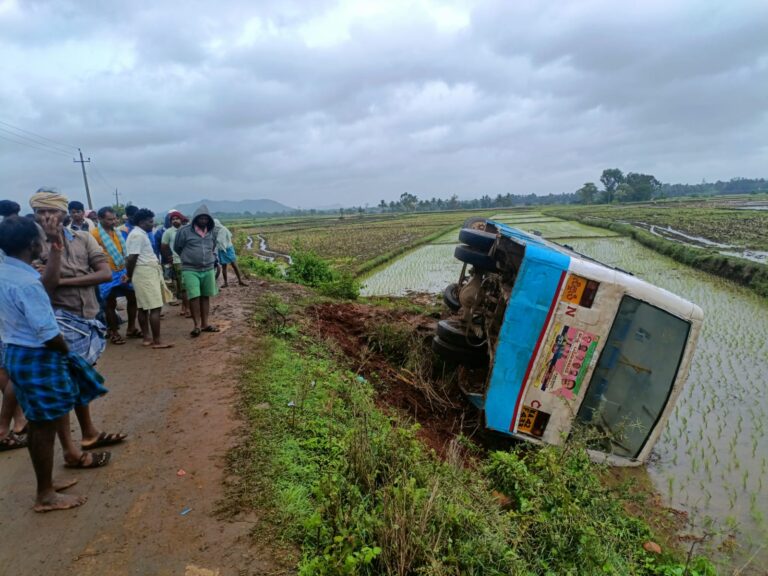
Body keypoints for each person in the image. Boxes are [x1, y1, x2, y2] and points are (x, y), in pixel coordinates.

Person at [0, 216, 109, 511]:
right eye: (42, 239)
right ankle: (45, 495)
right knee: (43, 426)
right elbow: (48, 332)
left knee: (41, 419)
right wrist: (66, 353)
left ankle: (47, 482)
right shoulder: (26, 284)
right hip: (39, 355)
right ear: (33, 244)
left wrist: (56, 249)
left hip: (16, 352)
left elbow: (45, 286)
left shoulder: (6, 272)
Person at [31, 189, 127, 457]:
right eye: (41, 211)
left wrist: (61, 280)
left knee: (79, 381)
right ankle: (70, 449)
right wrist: (54, 250)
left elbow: (105, 273)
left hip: (86, 316)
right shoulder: (33, 245)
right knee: (64, 385)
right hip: (56, 321)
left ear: (63, 213)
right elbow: (45, 288)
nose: (47, 216)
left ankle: (87, 433)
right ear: (35, 215)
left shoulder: (83, 238)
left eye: (52, 211)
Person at [91, 206, 141, 344]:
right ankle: (113, 332)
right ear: (100, 219)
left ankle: (131, 328)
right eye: (109, 219)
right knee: (110, 303)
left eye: (114, 219)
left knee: (132, 297)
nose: (113, 222)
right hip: (107, 271)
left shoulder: (118, 232)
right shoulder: (94, 234)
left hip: (122, 269)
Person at [126, 208, 173, 349]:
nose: (152, 224)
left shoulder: (139, 234)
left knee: (143, 307)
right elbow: (132, 258)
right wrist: (128, 275)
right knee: (154, 307)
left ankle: (147, 338)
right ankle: (157, 341)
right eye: (150, 221)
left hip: (145, 272)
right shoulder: (137, 236)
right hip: (144, 273)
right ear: (141, 222)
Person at [173, 205, 220, 337]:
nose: (204, 221)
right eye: (201, 218)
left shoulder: (212, 231)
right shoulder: (184, 231)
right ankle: (196, 325)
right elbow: (178, 247)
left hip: (208, 268)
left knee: (205, 296)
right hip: (190, 269)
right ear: (195, 219)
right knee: (194, 296)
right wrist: (189, 257)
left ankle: (205, 324)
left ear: (209, 220)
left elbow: (213, 245)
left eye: (206, 218)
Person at [160, 210, 189, 316]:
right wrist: (169, 258)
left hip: (188, 261)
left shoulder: (186, 230)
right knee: (183, 286)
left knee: (186, 285)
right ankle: (186, 308)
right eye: (173, 219)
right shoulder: (168, 232)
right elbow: (163, 246)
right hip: (177, 262)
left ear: (181, 219)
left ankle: (185, 307)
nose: (175, 221)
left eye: (177, 218)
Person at [214, 219, 247, 288]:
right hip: (222, 250)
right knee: (224, 267)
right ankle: (225, 283)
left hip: (228, 249)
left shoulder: (223, 229)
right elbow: (215, 241)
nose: (214, 226)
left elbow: (220, 240)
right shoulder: (214, 231)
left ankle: (240, 281)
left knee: (234, 265)